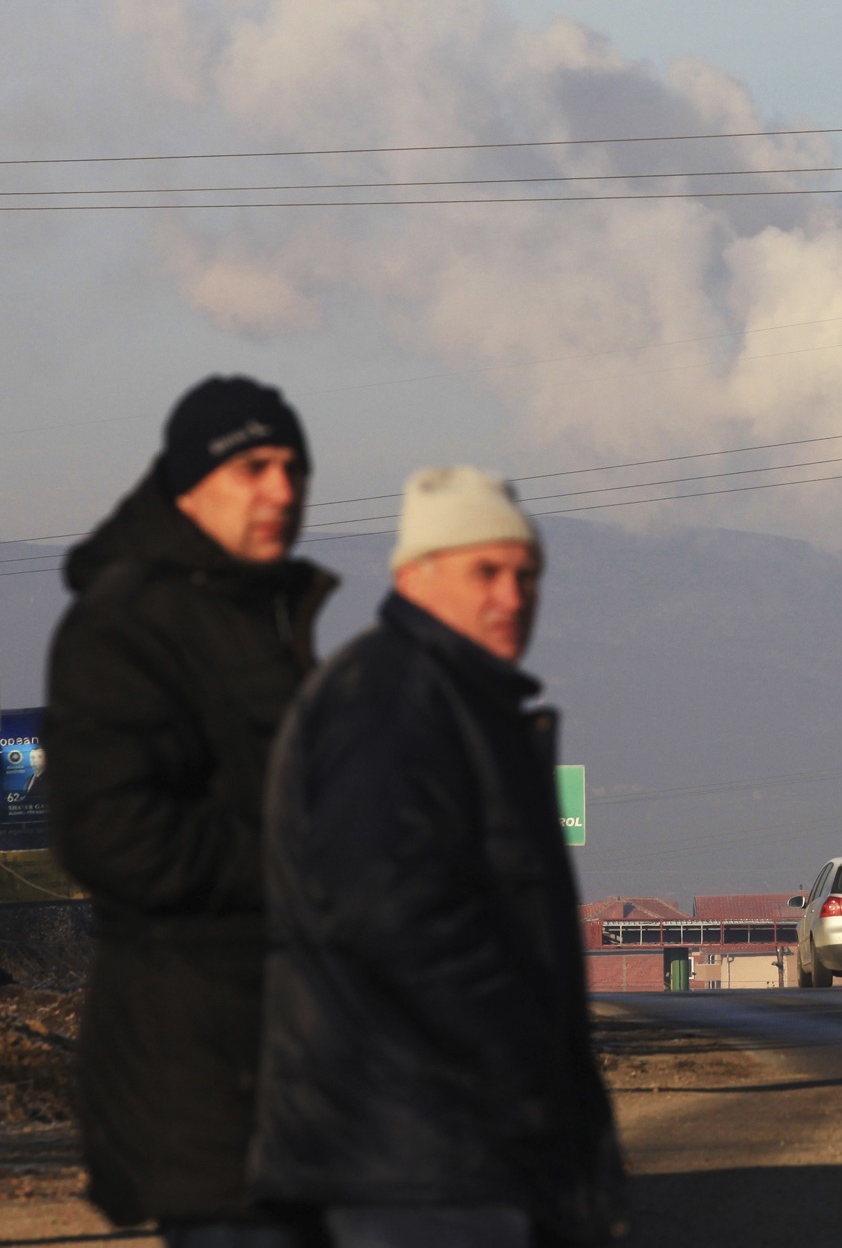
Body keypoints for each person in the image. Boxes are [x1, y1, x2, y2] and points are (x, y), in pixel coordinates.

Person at [255, 466, 624, 1248]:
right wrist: (522, 1065)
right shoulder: (389, 701)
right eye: (484, 571)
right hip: (406, 1151)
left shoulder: (462, 703)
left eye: (526, 575)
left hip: (443, 1145)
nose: (512, 596)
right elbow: (394, 916)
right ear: (414, 575)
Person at [46, 376, 332, 1246]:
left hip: (295, 1077)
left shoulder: (256, 617)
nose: (282, 489)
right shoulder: (128, 621)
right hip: (204, 1082)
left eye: (293, 467)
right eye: (253, 466)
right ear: (189, 484)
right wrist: (300, 862)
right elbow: (109, 831)